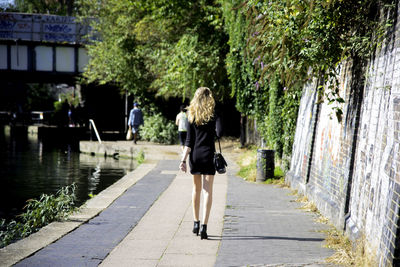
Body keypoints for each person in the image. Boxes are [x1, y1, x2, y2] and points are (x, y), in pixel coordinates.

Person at [179, 87, 222, 240]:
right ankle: (204, 227)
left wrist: (183, 160)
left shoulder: (191, 116)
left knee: (196, 189)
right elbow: (219, 133)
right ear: (209, 98)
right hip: (209, 156)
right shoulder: (214, 116)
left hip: (195, 156)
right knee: (207, 190)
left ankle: (195, 222)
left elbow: (188, 142)